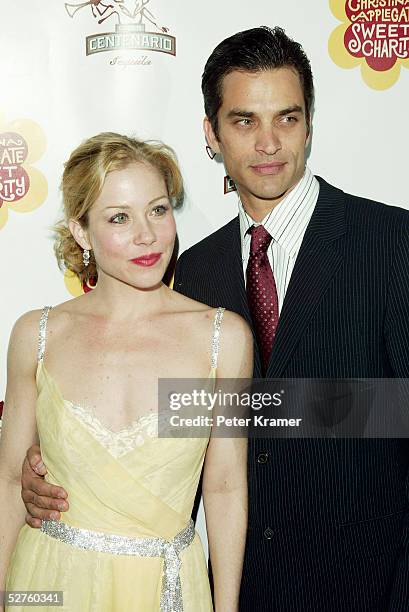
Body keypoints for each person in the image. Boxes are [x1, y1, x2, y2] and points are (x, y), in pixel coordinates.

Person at [18, 25, 409, 610]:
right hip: (237, 584)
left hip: (368, 585)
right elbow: (181, 430)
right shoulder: (196, 269)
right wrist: (60, 458)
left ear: (310, 125)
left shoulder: (391, 242)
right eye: (245, 121)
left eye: (288, 117)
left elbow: (395, 409)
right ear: (212, 133)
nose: (269, 143)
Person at [0, 132, 252, 612]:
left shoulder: (221, 338)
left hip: (166, 589)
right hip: (50, 585)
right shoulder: (37, 334)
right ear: (80, 232)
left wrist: (228, 606)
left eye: (158, 210)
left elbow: (223, 487)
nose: (147, 235)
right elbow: (12, 482)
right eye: (119, 217)